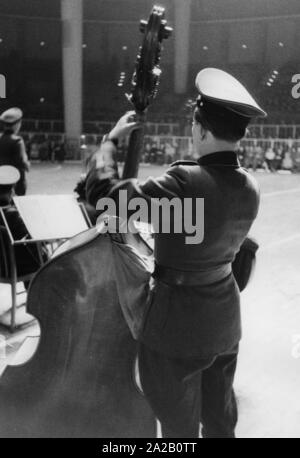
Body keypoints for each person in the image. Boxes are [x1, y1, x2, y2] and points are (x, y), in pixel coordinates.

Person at [86, 68, 266, 438]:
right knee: (219, 421)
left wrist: (110, 142)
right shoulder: (251, 185)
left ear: (199, 129)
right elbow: (196, 227)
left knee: (179, 430)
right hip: (224, 320)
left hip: (176, 326)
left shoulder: (184, 183)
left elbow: (104, 197)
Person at [0, 165, 46, 284]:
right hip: (17, 268)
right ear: (11, 190)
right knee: (43, 255)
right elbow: (31, 238)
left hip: (2, 267)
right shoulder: (12, 215)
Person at [0, 107, 30, 195]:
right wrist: (27, 164)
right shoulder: (17, 141)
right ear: (16, 124)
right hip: (14, 182)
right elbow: (22, 162)